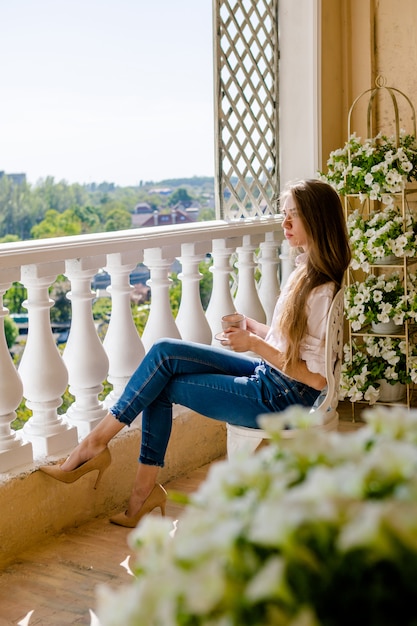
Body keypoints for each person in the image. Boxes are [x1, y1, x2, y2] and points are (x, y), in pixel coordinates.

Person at [39, 179, 351, 527]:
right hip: (273, 378)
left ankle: (114, 467)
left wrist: (255, 346)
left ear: (318, 221)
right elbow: (289, 341)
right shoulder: (304, 272)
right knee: (164, 352)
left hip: (281, 397)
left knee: (159, 384)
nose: (285, 223)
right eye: (284, 214)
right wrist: (253, 328)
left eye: (294, 216)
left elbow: (316, 377)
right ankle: (103, 452)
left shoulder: (320, 290)